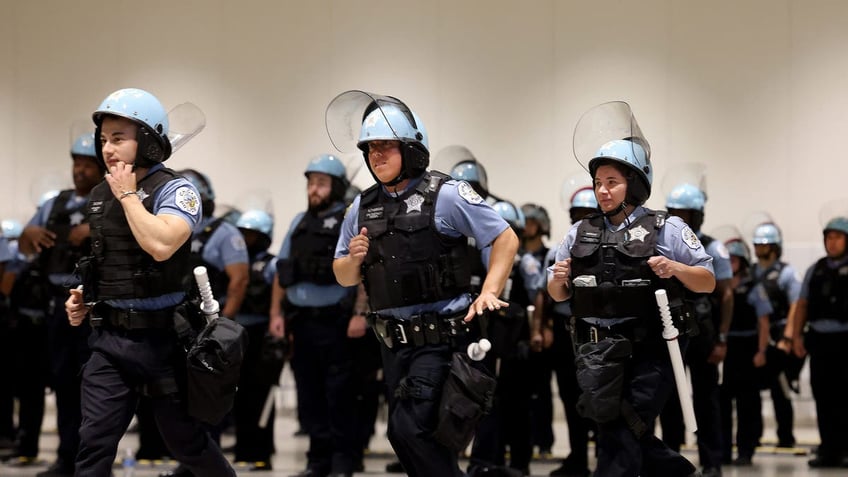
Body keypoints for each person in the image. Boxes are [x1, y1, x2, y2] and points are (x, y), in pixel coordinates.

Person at [329, 91, 519, 477]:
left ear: (411, 149)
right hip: (392, 344)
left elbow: (505, 238)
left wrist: (489, 292)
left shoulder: (446, 195)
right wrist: (354, 258)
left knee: (408, 429)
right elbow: (343, 275)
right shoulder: (361, 207)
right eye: (370, 148)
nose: (375, 155)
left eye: (386, 146)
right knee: (417, 437)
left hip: (441, 339)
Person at [63, 87, 235, 477]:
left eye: (118, 138)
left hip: (165, 341)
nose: (107, 149)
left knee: (185, 442)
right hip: (109, 341)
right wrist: (84, 297)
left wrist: (128, 197)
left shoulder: (177, 190)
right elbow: (105, 261)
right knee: (93, 443)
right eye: (104, 139)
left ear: (149, 142)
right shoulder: (98, 195)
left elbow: (161, 245)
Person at [547, 101, 715, 477]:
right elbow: (557, 294)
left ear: (634, 184)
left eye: (612, 182)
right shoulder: (579, 232)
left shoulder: (666, 228)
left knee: (620, 432)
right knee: (617, 428)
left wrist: (675, 267)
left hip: (651, 350)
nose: (602, 191)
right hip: (597, 351)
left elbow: (708, 280)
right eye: (597, 183)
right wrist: (558, 280)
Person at [18, 131, 104, 476]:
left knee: (95, 387)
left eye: (87, 164)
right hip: (57, 306)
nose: (80, 171)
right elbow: (24, 247)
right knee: (64, 382)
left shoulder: (111, 200)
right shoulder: (53, 204)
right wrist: (30, 235)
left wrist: (94, 231)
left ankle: (95, 462)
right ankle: (67, 457)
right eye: (76, 164)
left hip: (95, 307)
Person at [269, 153, 361, 477]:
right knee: (309, 395)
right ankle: (317, 460)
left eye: (321, 183)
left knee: (339, 395)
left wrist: (360, 314)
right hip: (302, 322)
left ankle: (343, 461)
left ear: (335, 187)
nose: (314, 189)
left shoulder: (350, 219)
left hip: (336, 321)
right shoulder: (299, 222)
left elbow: (364, 270)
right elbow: (282, 270)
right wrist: (275, 314)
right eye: (311, 183)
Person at [660, 180, 733, 477]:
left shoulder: (713, 246)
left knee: (706, 399)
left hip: (702, 331)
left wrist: (722, 338)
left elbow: (726, 294)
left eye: (687, 215)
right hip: (670, 329)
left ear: (699, 216)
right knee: (669, 398)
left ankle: (712, 461)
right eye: (675, 213)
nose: (681, 220)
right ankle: (671, 459)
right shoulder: (663, 240)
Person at [534, 181, 598, 477]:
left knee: (601, 397)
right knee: (570, 397)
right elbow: (545, 293)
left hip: (596, 330)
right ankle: (578, 458)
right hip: (564, 330)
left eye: (588, 212)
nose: (582, 219)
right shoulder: (562, 247)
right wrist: (543, 327)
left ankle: (606, 457)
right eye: (578, 213)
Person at [781, 206, 848, 468]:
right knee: (824, 395)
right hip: (820, 341)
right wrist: (797, 337)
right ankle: (828, 449)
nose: (832, 243)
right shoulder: (816, 269)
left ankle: (845, 449)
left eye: (837, 237)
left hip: (845, 341)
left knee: (845, 396)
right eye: (828, 237)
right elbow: (802, 304)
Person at [717, 236, 770, 467]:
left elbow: (764, 322)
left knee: (748, 404)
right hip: (725, 349)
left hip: (747, 348)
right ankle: (724, 450)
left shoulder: (753, 287)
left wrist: (761, 351)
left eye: (735, 260)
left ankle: (746, 450)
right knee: (722, 403)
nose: (731, 264)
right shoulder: (718, 287)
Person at [0, 217, 49, 468]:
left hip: (35, 336)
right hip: (17, 332)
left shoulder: (38, 266)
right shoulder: (18, 265)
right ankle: (14, 440)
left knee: (30, 392)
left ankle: (24, 445)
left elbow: (6, 288)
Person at [232, 208, 278, 471]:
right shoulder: (234, 261)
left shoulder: (271, 264)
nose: (245, 240)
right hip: (238, 335)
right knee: (238, 395)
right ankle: (242, 449)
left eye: (250, 235)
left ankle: (262, 452)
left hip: (263, 335)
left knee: (261, 394)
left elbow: (278, 299)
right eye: (242, 234)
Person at [750, 221, 801, 449]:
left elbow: (796, 305)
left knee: (780, 390)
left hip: (778, 338)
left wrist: (788, 338)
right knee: (750, 392)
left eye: (764, 245)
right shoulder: (751, 272)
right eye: (757, 245)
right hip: (756, 337)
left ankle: (786, 437)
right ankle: (753, 436)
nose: (759, 249)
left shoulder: (786, 273)